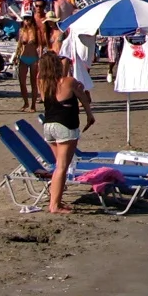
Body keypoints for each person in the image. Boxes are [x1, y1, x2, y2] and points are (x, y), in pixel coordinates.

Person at [38, 50, 96, 214]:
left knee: (59, 166)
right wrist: (90, 115)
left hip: (48, 126)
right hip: (65, 126)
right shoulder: (68, 81)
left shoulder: (42, 84)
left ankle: (56, 200)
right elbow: (84, 99)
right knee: (62, 167)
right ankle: (54, 205)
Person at [16, 17, 41, 111]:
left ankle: (33, 105)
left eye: (28, 19)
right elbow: (19, 44)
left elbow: (40, 44)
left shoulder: (36, 31)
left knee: (33, 82)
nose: (26, 21)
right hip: (23, 57)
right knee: (22, 82)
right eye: (25, 19)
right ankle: (26, 102)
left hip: (33, 57)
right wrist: (16, 55)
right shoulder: (21, 31)